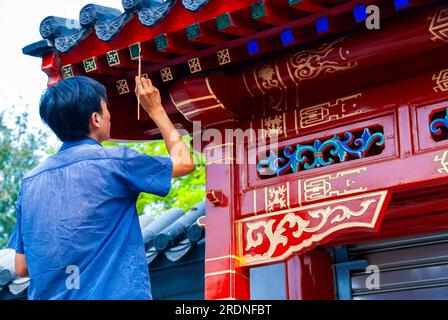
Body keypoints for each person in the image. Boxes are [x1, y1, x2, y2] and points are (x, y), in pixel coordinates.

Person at [7, 76, 195, 299]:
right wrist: (155, 109)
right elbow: (184, 162)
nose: (110, 116)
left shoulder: (29, 183)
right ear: (95, 119)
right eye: (107, 109)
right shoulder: (116, 161)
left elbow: (22, 266)